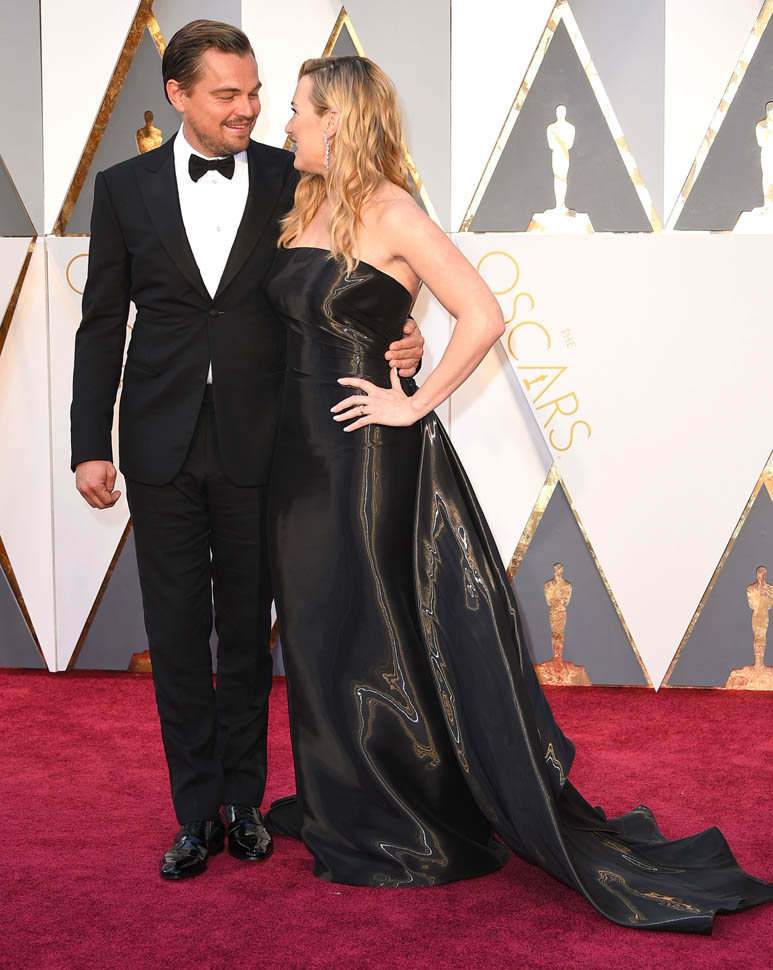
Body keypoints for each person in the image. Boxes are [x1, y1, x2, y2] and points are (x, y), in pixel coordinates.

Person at [263, 55, 773, 931]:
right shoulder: (304, 204)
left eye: (298, 110)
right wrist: (399, 330)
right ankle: (341, 794)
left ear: (336, 118)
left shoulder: (393, 211)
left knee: (366, 633)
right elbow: (349, 313)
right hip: (296, 458)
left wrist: (414, 399)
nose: (286, 124)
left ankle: (398, 816)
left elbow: (484, 314)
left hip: (363, 459)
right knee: (314, 630)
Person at [70, 22, 424, 882]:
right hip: (157, 443)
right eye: (227, 94)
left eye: (256, 91)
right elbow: (101, 323)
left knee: (245, 636)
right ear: (178, 96)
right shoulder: (121, 190)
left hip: (265, 440)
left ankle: (243, 802)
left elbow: (351, 276)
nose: (249, 108)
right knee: (175, 633)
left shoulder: (292, 175)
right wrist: (88, 444)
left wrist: (401, 333)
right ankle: (194, 814)